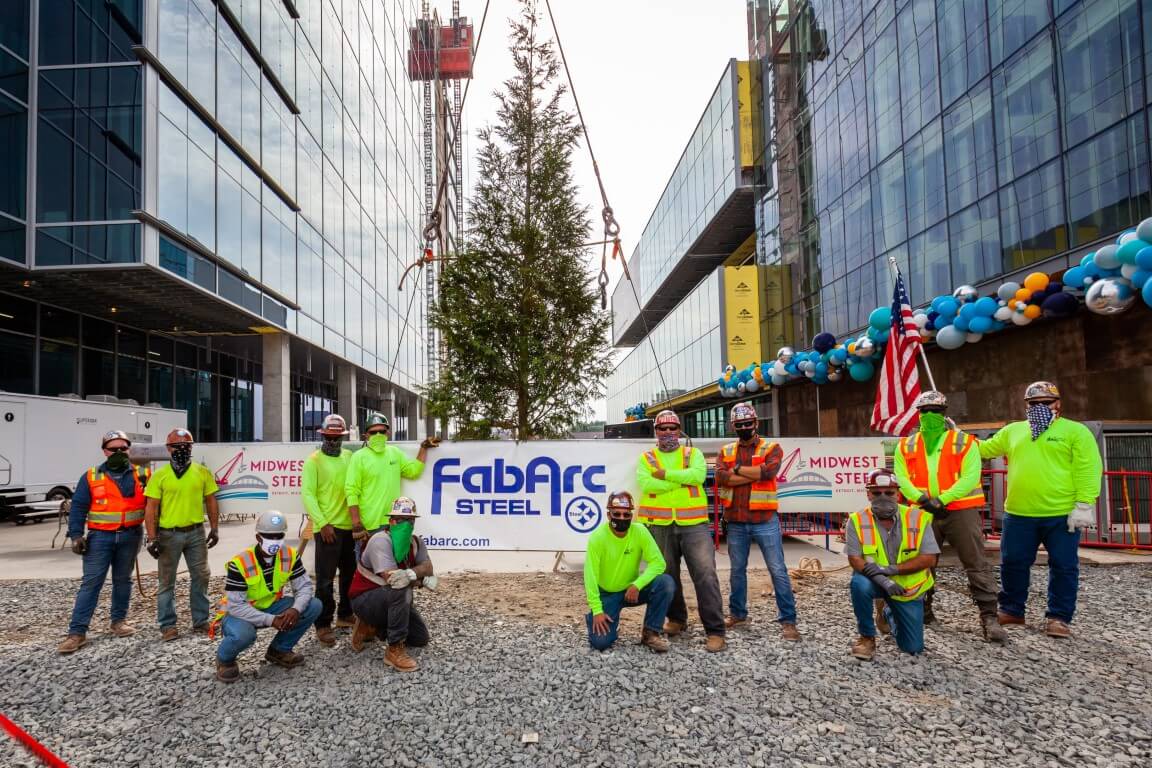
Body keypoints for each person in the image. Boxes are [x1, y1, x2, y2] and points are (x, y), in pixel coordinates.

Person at [977, 381, 1102, 638]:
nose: (1040, 407)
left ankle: (1059, 617)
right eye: (1034, 403)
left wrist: (1084, 504)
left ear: (1058, 404)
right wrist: (956, 437)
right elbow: (984, 449)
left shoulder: (1075, 432)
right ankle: (1012, 610)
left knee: (1064, 566)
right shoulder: (1013, 431)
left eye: (1046, 402)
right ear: (1026, 406)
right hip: (1019, 514)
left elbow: (1088, 469)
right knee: (1012, 563)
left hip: (1062, 513)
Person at [893, 391, 1006, 643]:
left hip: (960, 511)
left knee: (975, 562)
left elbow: (970, 476)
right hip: (922, 512)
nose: (930, 415)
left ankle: (989, 617)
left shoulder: (965, 442)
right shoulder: (906, 445)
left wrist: (942, 500)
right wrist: (924, 501)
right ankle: (922, 610)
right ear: (918, 414)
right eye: (925, 411)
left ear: (945, 413)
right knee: (920, 562)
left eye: (936, 410)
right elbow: (901, 477)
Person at [636, 409, 726, 652]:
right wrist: (680, 479)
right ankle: (677, 619)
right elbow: (646, 483)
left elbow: (697, 476)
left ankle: (715, 631)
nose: (667, 433)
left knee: (705, 575)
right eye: (662, 429)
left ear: (679, 430)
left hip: (693, 524)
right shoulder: (647, 458)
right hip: (660, 525)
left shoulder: (692, 453)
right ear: (656, 432)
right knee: (668, 577)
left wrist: (665, 475)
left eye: (672, 428)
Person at [57, 430, 152, 654]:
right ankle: (77, 632)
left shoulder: (143, 474)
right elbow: (79, 507)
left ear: (129, 450)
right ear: (104, 451)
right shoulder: (91, 476)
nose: (118, 452)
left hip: (131, 535)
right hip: (100, 538)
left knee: (123, 580)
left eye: (123, 448)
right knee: (91, 583)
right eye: (113, 448)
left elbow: (153, 505)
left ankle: (118, 622)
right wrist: (76, 535)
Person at [715, 402, 799, 640]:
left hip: (765, 519)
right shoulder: (726, 450)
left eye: (747, 423)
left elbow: (769, 473)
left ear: (756, 423)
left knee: (778, 570)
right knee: (736, 571)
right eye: (739, 424)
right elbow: (722, 478)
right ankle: (738, 614)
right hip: (736, 521)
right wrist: (751, 473)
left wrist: (738, 471)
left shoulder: (772, 448)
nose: (744, 427)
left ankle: (788, 620)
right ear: (733, 426)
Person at [213, 510, 322, 683]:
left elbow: (304, 587)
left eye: (279, 536)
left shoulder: (290, 555)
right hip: (239, 613)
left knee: (313, 606)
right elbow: (236, 606)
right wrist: (270, 620)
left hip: (272, 606)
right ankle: (225, 660)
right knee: (244, 635)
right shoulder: (240, 563)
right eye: (269, 536)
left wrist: (295, 609)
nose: (275, 541)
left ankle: (279, 650)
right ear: (258, 538)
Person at [846, 469, 940, 661]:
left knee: (912, 648)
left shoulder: (918, 518)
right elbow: (855, 559)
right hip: (875, 581)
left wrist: (891, 570)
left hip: (907, 588)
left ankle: (888, 612)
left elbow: (930, 558)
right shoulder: (856, 520)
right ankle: (867, 638)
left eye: (888, 493)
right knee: (858, 584)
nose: (883, 497)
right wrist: (885, 581)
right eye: (876, 492)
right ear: (868, 494)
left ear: (898, 494)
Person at [143, 428, 220, 641]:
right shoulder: (160, 476)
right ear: (169, 448)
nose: (183, 450)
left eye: (187, 446)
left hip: (196, 532)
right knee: (166, 581)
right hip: (169, 535)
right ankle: (168, 625)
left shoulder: (202, 472)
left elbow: (211, 500)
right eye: (178, 446)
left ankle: (201, 620)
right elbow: (151, 508)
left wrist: (214, 528)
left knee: (201, 576)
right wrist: (152, 538)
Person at [349, 496, 437, 672]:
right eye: (401, 520)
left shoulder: (416, 543)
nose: (406, 524)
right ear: (391, 521)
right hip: (365, 599)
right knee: (400, 588)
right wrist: (420, 579)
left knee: (420, 638)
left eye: (410, 520)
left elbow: (428, 567)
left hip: (392, 600)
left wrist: (412, 573)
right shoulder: (380, 540)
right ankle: (394, 648)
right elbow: (393, 579)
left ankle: (373, 627)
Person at [584, 491, 675, 653]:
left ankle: (651, 633)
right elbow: (590, 575)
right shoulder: (597, 538)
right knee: (600, 643)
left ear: (631, 515)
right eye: (616, 513)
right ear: (608, 515)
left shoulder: (640, 531)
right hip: (607, 593)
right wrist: (597, 610)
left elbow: (658, 563)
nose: (621, 518)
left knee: (665, 583)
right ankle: (595, 618)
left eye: (626, 514)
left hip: (631, 591)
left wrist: (637, 584)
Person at [301, 413, 356, 646]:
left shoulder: (349, 457)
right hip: (327, 529)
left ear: (343, 437)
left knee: (349, 575)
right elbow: (308, 494)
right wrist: (322, 523)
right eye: (329, 437)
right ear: (322, 435)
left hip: (348, 528)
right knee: (324, 580)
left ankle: (345, 614)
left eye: (338, 437)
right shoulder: (313, 461)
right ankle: (323, 623)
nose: (333, 441)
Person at [345, 413, 437, 549]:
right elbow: (351, 491)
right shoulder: (358, 457)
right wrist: (356, 524)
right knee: (368, 567)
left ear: (387, 433)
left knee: (393, 567)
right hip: (369, 526)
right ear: (366, 435)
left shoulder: (395, 453)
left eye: (381, 431)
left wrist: (423, 448)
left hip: (394, 522)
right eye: (373, 432)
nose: (377, 435)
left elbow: (413, 472)